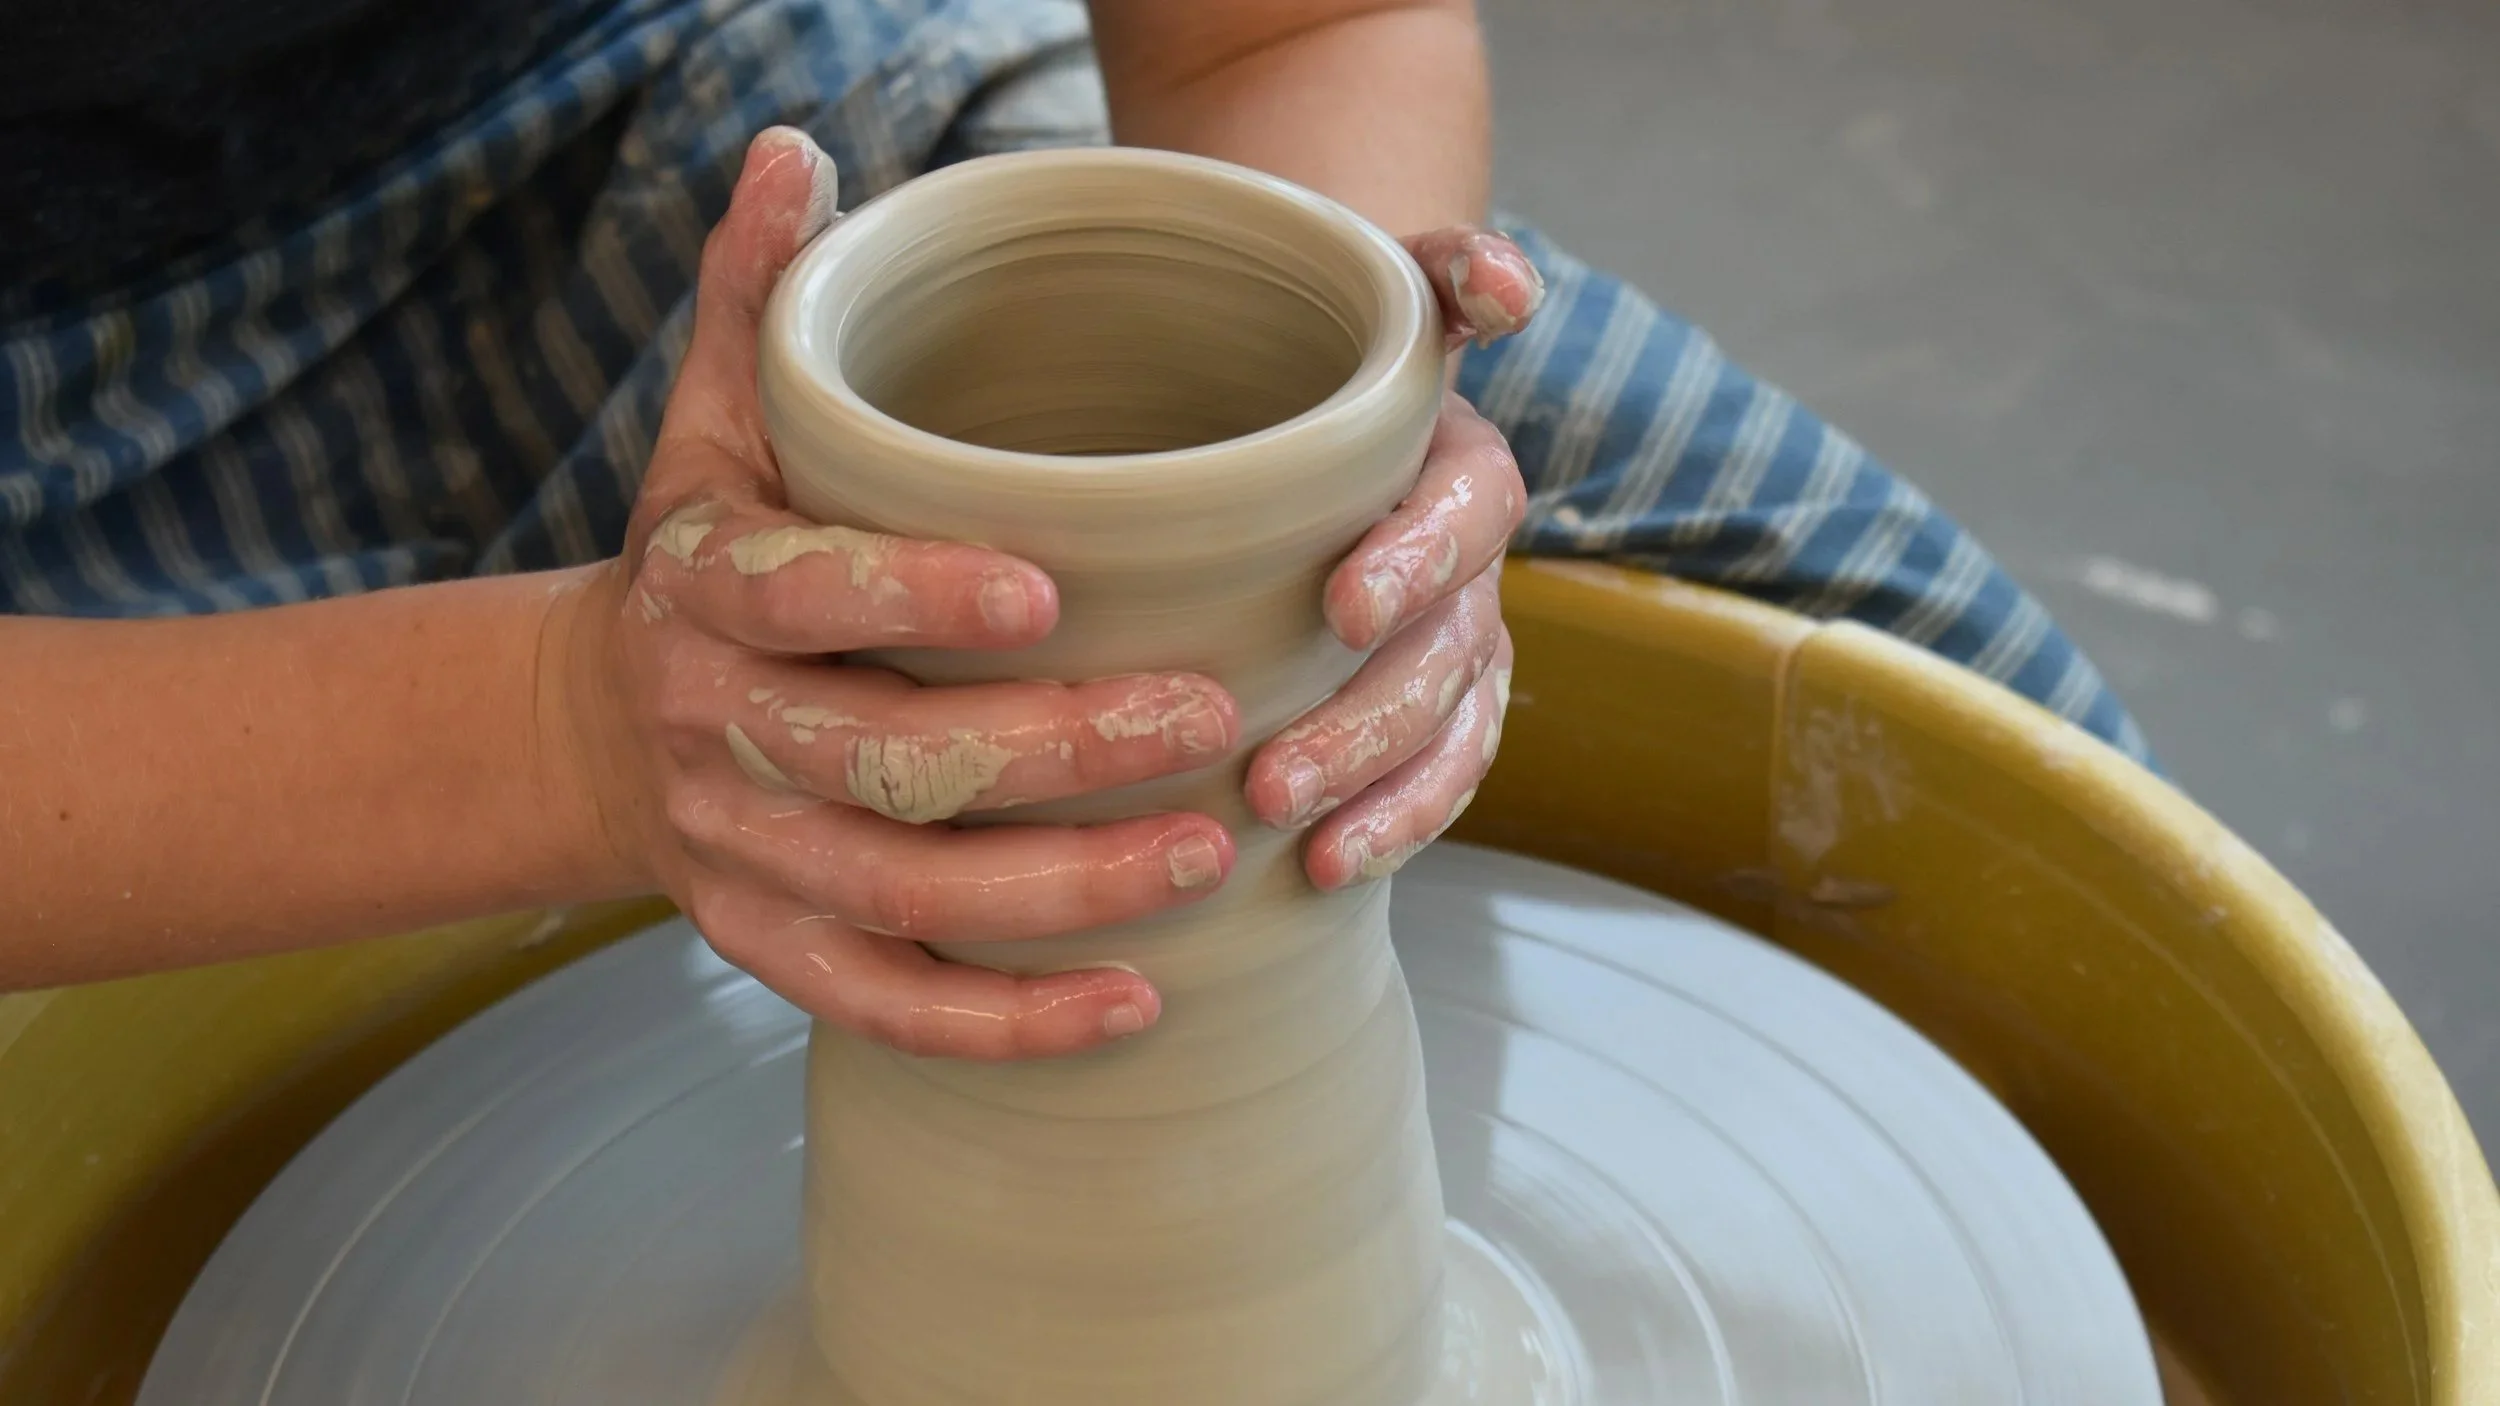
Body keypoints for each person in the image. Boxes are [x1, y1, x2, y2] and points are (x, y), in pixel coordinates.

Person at [0, 0, 2147, 1058]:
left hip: (683, 110)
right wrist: (570, 728)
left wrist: (1314, 409)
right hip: (59, 502)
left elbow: (1290, 23)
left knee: (2010, 789)